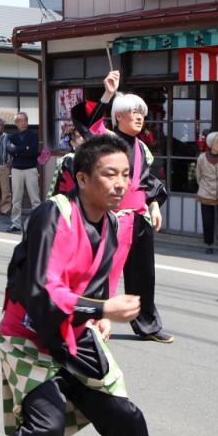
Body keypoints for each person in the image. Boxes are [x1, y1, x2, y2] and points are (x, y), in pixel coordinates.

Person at [0, 135, 180, 436]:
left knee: (119, 408)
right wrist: (102, 310)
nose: (121, 183)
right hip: (28, 334)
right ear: (82, 178)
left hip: (74, 329)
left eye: (126, 174)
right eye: (110, 174)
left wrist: (99, 311)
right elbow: (41, 289)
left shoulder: (113, 222)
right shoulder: (52, 215)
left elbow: (97, 276)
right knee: (47, 420)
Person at [69, 71, 173, 344]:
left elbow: (147, 181)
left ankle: (147, 324)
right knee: (102, 271)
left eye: (141, 112)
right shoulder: (107, 141)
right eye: (132, 112)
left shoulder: (140, 147)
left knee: (144, 274)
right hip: (114, 218)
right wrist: (108, 94)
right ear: (118, 116)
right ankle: (89, 321)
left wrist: (154, 205)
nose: (139, 117)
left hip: (139, 218)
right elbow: (87, 122)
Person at [6, 112, 40, 233]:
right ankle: (16, 223)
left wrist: (18, 150)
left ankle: (38, 223)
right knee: (16, 198)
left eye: (25, 120)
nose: (23, 122)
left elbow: (33, 151)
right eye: (20, 120)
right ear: (16, 123)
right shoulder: (11, 136)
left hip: (30, 168)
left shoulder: (33, 135)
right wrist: (24, 148)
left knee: (35, 198)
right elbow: (10, 150)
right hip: (16, 169)